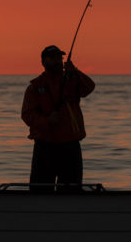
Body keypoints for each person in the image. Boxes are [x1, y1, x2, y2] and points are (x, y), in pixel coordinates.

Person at [21, 45, 95, 191]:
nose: (57, 61)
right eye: (52, 58)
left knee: (72, 191)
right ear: (43, 62)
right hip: (44, 146)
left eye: (59, 58)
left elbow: (89, 88)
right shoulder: (35, 87)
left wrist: (75, 71)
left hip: (70, 145)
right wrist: (48, 121)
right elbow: (27, 115)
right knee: (39, 191)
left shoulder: (72, 79)